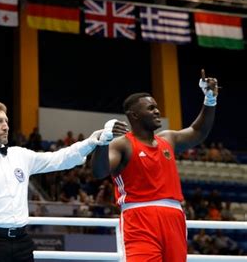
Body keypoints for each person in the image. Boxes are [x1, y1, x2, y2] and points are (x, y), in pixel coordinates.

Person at [0, 101, 127, 261]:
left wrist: (92, 141)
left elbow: (59, 159)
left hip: (22, 241)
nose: (6, 126)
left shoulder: (20, 155)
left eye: (6, 121)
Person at [91, 70, 219, 262]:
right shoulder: (122, 144)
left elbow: (198, 132)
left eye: (156, 107)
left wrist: (209, 100)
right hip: (139, 218)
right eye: (150, 108)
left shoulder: (168, 139)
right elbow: (99, 172)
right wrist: (102, 142)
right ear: (134, 115)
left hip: (174, 217)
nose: (157, 111)